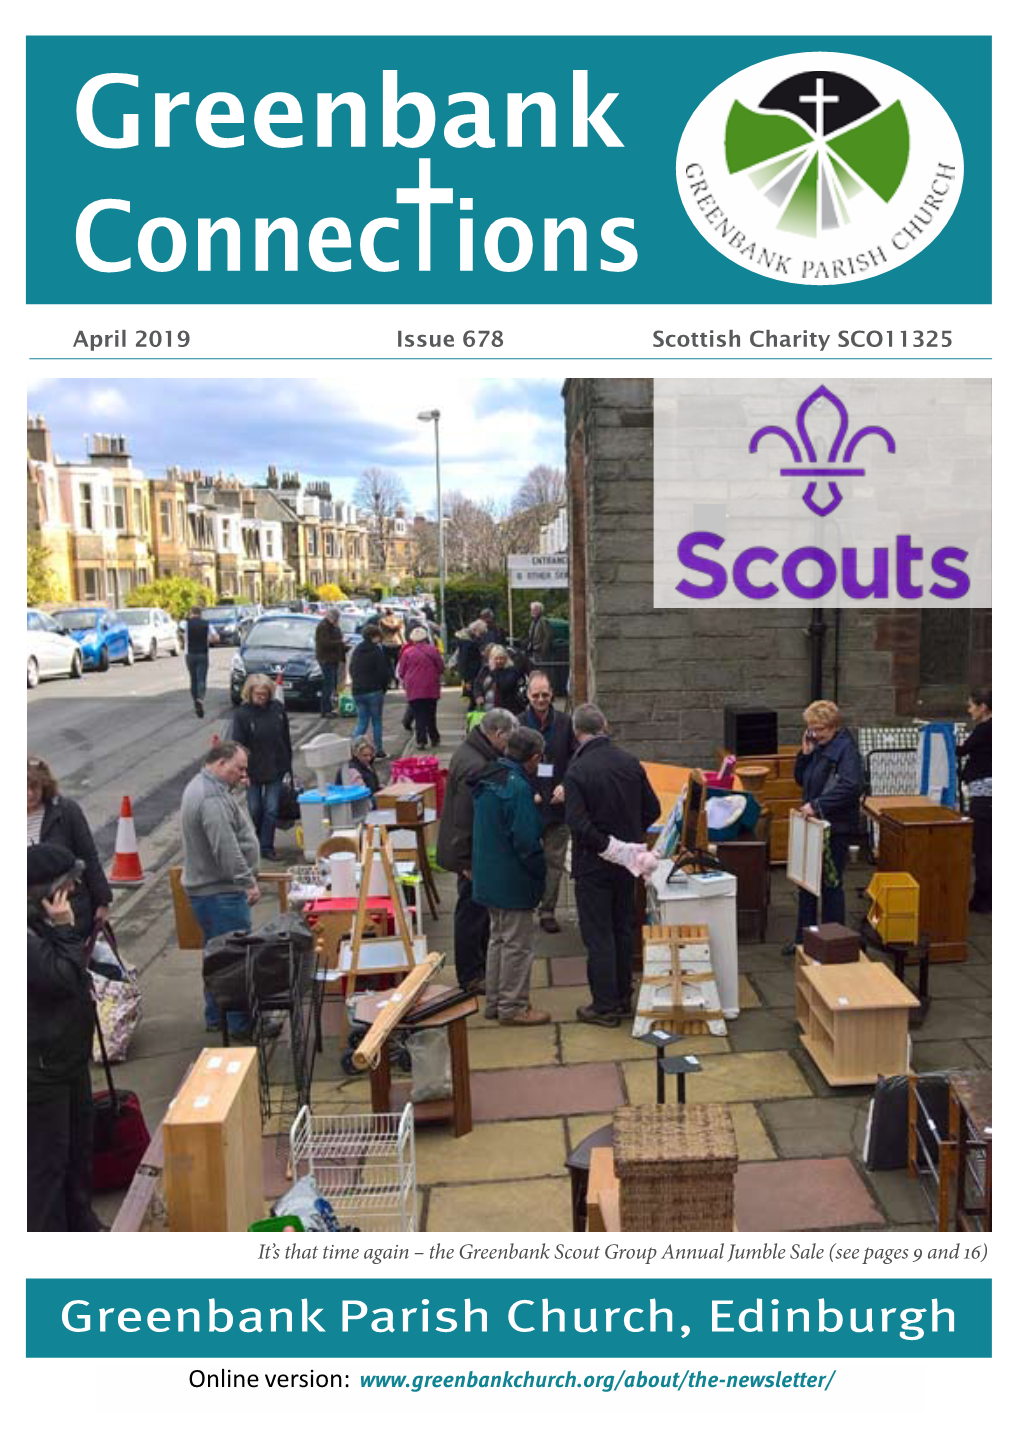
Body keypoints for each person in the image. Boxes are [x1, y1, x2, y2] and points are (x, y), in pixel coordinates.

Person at [565, 704, 661, 1027]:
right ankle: (622, 997)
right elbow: (653, 809)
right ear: (604, 725)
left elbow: (577, 824)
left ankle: (604, 1006)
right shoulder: (630, 762)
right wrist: (628, 838)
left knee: (599, 934)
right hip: (627, 863)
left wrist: (606, 845)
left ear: (577, 731)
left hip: (594, 863)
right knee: (622, 928)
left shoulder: (578, 770)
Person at [27, 843, 106, 1232]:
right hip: (41, 1070)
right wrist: (64, 928)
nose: (73, 892)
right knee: (48, 1164)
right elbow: (61, 977)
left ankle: (82, 1222)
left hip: (68, 1057)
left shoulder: (39, 924)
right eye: (67, 885)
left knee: (78, 1151)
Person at [180, 740, 267, 1040]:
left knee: (217, 957)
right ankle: (241, 1024)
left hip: (211, 892)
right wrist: (247, 882)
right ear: (220, 764)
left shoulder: (209, 788)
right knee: (234, 960)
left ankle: (217, 1016)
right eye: (239, 769)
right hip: (221, 893)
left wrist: (238, 790)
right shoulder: (210, 798)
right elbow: (225, 847)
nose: (243, 775)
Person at [437, 708, 519, 992]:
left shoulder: (476, 752)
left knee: (477, 914)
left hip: (472, 853)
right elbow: (465, 818)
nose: (509, 745)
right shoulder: (476, 764)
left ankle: (478, 968)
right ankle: (471, 976)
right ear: (497, 734)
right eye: (508, 738)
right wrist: (467, 862)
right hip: (471, 856)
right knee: (471, 915)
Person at [471, 728, 549, 1026]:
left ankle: (495, 1002)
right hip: (512, 878)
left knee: (498, 940)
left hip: (487, 874)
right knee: (517, 945)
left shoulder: (489, 777)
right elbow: (527, 841)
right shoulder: (517, 787)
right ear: (534, 757)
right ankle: (514, 1007)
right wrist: (540, 873)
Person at [787, 699, 865, 952]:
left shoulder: (845, 750)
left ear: (833, 726)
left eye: (819, 728)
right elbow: (801, 779)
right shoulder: (819, 746)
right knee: (806, 883)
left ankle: (833, 942)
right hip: (814, 823)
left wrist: (817, 805)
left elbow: (851, 786)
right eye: (811, 728)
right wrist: (804, 754)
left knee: (831, 885)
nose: (814, 733)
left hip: (834, 827)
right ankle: (804, 939)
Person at [27, 756, 112, 940]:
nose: (28, 794)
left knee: (73, 963)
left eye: (34, 787)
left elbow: (88, 856)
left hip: (72, 911)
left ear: (44, 785)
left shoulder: (66, 811)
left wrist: (102, 901)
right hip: (30, 921)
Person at [521, 671, 576, 933]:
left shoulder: (566, 724)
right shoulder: (519, 725)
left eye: (545, 694)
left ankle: (547, 910)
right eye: (536, 695)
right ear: (528, 695)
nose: (541, 699)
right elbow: (512, 764)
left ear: (552, 693)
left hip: (558, 808)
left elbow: (577, 760)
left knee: (554, 861)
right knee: (528, 859)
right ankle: (525, 905)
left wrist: (565, 785)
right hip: (529, 806)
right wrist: (528, 790)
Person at [230, 673, 293, 861]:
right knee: (255, 808)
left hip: (275, 765)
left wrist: (288, 765)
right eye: (258, 694)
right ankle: (258, 840)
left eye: (265, 694)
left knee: (271, 808)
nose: (261, 698)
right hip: (252, 768)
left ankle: (266, 846)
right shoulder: (242, 714)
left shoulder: (277, 710)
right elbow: (238, 744)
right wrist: (242, 772)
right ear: (250, 693)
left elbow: (285, 738)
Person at [958, 687, 992, 913]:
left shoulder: (985, 729)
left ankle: (983, 900)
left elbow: (962, 750)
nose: (969, 710)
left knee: (983, 850)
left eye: (971, 705)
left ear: (983, 707)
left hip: (985, 797)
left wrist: (938, 739)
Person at [398, 626, 445, 747]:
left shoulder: (407, 653)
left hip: (413, 688)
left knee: (419, 715)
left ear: (413, 640)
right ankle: (434, 738)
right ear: (425, 638)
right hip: (431, 687)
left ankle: (421, 740)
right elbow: (441, 668)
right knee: (430, 714)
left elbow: (401, 672)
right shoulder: (433, 650)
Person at [349, 623, 391, 757]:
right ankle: (378, 750)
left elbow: (351, 669)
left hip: (358, 691)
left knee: (362, 722)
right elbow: (383, 673)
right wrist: (384, 688)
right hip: (374, 691)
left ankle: (353, 749)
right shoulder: (376, 651)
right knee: (376, 721)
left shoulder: (357, 650)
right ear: (375, 636)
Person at [474, 644, 526, 716]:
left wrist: (494, 671)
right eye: (496, 658)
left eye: (501, 658)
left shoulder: (512, 670)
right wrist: (478, 695)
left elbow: (504, 686)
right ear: (491, 658)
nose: (499, 661)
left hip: (508, 710)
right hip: (487, 708)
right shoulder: (485, 669)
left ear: (506, 658)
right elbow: (477, 684)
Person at [314, 607, 347, 718]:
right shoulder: (324, 626)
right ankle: (326, 710)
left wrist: (344, 646)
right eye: (337, 618)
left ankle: (330, 708)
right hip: (326, 659)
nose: (338, 621)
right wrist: (341, 643)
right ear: (333, 617)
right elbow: (325, 643)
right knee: (328, 685)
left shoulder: (331, 626)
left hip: (332, 659)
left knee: (331, 684)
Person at [184, 605, 212, 718]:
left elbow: (181, 634)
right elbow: (216, 637)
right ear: (200, 614)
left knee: (193, 679)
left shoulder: (185, 624)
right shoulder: (206, 623)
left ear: (191, 613)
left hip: (190, 655)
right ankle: (200, 699)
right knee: (201, 678)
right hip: (203, 654)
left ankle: (195, 700)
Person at [454, 619, 487, 698]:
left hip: (472, 673)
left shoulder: (468, 641)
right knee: (473, 697)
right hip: (471, 674)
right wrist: (466, 679)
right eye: (481, 632)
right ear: (475, 630)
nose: (482, 635)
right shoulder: (468, 643)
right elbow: (464, 660)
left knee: (473, 697)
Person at [378, 608, 405, 686]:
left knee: (388, 665)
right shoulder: (398, 621)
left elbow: (381, 633)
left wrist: (380, 641)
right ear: (393, 613)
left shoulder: (382, 621)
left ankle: (390, 681)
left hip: (386, 644)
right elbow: (401, 633)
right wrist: (404, 643)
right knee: (397, 664)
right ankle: (397, 682)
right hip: (397, 643)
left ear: (386, 613)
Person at [526, 600, 551, 667]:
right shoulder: (533, 622)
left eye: (534, 610)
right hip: (533, 650)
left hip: (540, 651)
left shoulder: (543, 621)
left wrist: (543, 650)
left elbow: (547, 636)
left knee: (541, 669)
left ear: (540, 610)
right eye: (531, 610)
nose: (532, 612)